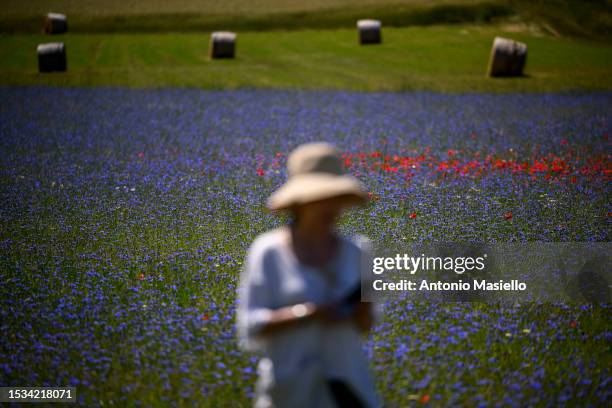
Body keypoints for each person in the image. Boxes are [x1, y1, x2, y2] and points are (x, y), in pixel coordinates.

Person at [236, 142, 381, 408]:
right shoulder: (268, 252)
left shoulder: (359, 251)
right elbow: (251, 325)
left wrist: (362, 307)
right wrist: (310, 313)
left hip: (348, 390)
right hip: (289, 392)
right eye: (322, 199)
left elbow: (365, 326)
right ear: (301, 203)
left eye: (336, 199)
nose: (332, 208)